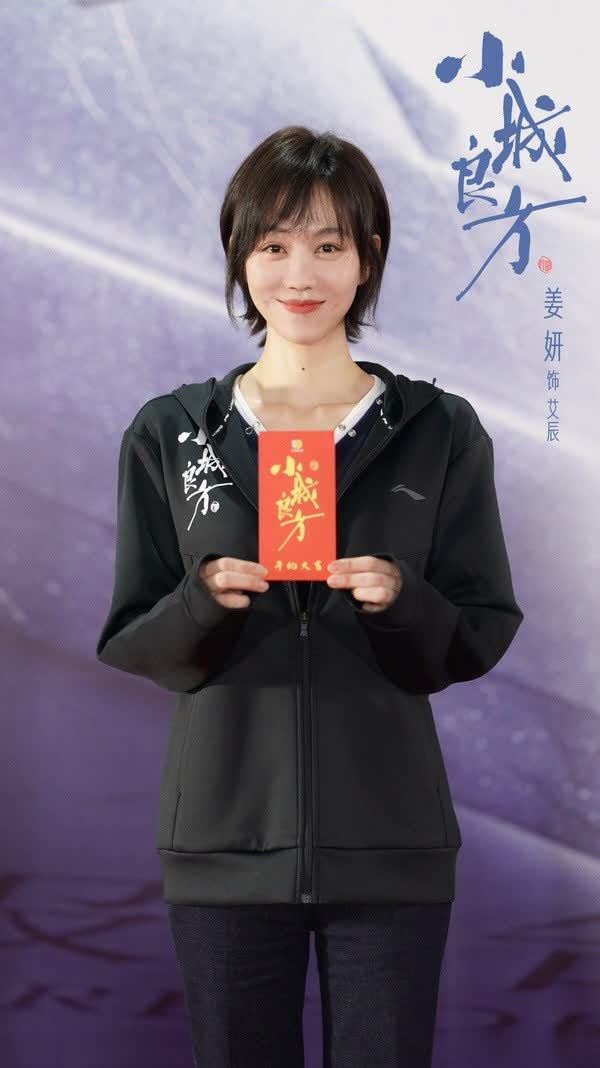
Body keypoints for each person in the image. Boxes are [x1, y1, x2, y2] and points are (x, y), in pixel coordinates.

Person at [96, 125, 524, 1067]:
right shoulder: (174, 432)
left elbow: (479, 629)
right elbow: (133, 637)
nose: (301, 274)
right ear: (240, 254)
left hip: (391, 842)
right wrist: (203, 600)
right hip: (222, 842)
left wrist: (400, 599)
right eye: (275, 244)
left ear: (368, 259)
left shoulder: (437, 430)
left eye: (330, 245)